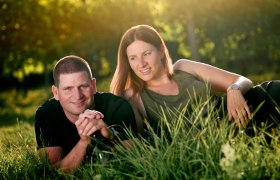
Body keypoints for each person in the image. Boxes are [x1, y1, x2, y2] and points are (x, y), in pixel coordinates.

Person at [110, 24, 280, 137]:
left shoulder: (183, 67)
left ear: (161, 51)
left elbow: (242, 80)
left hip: (252, 110)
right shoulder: (134, 96)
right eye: (133, 58)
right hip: (224, 143)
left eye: (146, 54)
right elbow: (131, 140)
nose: (141, 64)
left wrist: (233, 89)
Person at [34, 55, 137, 173]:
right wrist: (84, 141)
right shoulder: (46, 115)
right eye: (68, 88)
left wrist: (110, 135)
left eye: (83, 86)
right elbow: (52, 172)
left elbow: (134, 159)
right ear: (56, 92)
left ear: (93, 86)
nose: (78, 96)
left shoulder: (117, 107)